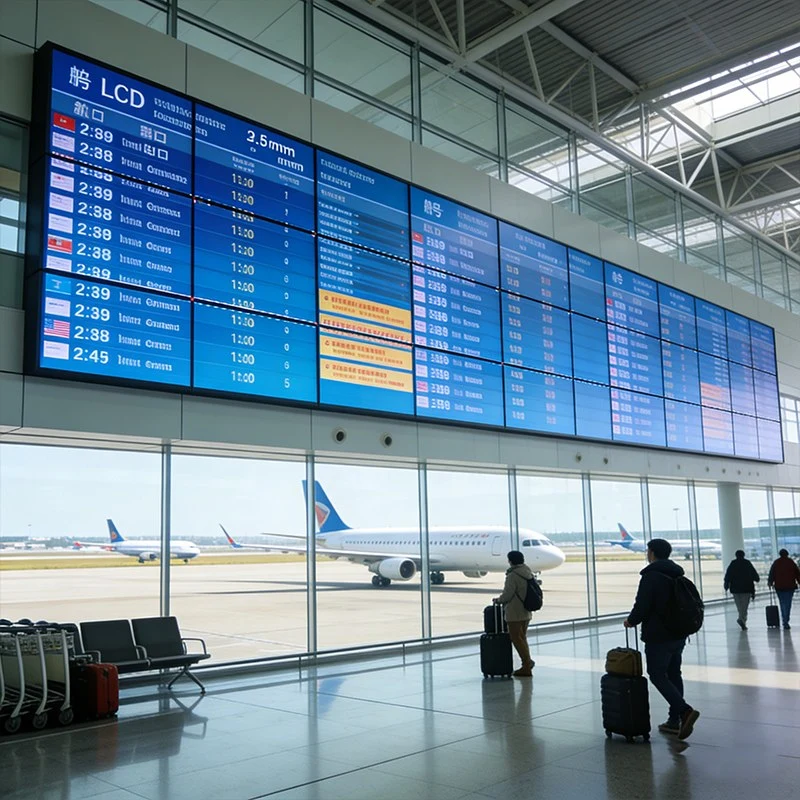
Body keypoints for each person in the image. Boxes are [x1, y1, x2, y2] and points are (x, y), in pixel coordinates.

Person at [623, 538, 699, 740]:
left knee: (657, 674)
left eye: (648, 551)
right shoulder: (677, 575)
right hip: (679, 633)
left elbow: (642, 605)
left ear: (652, 553)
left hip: (659, 635)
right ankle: (674, 721)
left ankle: (684, 711)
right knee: (674, 673)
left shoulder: (651, 576)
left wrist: (631, 621)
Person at [493, 550, 535, 677]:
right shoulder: (528, 572)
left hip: (515, 612)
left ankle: (526, 665)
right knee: (522, 638)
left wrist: (498, 600)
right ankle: (527, 662)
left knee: (516, 638)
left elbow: (508, 594)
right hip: (526, 610)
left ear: (510, 561)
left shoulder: (513, 575)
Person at [724, 550, 760, 630]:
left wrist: (726, 585)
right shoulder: (747, 563)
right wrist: (757, 579)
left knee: (739, 606)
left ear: (736, 555)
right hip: (746, 588)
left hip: (735, 589)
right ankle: (742, 619)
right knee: (744, 606)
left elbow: (728, 575)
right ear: (743, 555)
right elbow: (754, 574)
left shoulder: (733, 564)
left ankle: (742, 619)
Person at [767, 549, 800, 630]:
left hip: (779, 587)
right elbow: (797, 573)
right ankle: (786, 620)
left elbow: (772, 573)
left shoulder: (776, 562)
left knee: (782, 603)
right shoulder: (791, 562)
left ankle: (784, 620)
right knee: (788, 603)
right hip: (790, 586)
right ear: (787, 554)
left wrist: (770, 582)